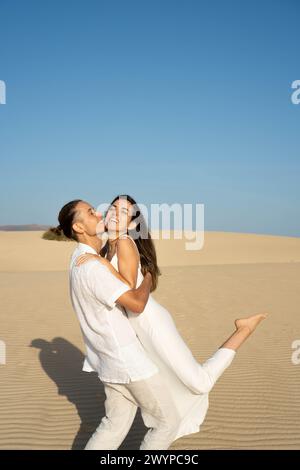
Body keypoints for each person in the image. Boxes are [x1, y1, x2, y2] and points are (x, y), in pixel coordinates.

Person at [76, 194, 268, 444]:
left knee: (198, 382)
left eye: (123, 212)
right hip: (136, 330)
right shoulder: (107, 246)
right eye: (113, 207)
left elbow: (129, 290)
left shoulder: (123, 242)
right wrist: (99, 258)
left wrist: (101, 264)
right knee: (165, 380)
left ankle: (243, 329)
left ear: (132, 225)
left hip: (151, 324)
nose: (114, 213)